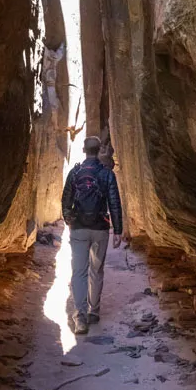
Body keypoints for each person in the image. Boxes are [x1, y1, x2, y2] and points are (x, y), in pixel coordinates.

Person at [61, 135, 123, 335]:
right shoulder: (107, 174)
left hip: (79, 228)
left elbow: (66, 198)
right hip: (100, 228)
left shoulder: (75, 172)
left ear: (83, 150)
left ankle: (80, 318)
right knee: (96, 271)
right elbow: (114, 201)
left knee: (79, 272)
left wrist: (69, 219)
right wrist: (118, 230)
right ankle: (93, 312)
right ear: (98, 151)